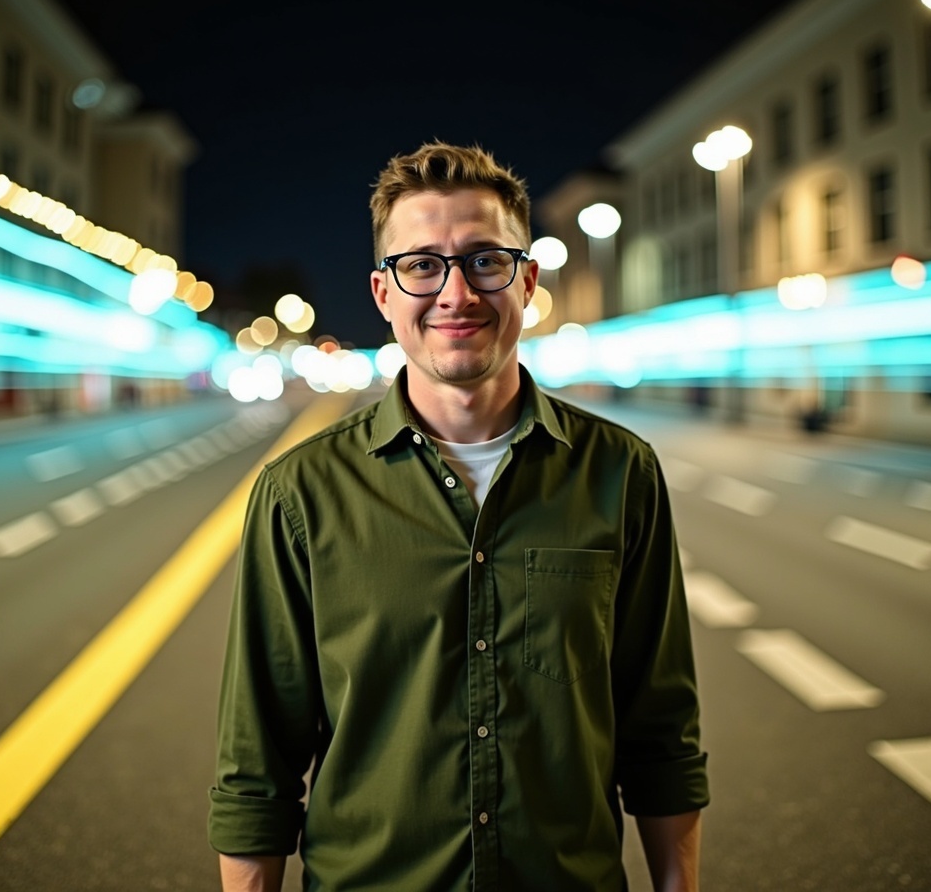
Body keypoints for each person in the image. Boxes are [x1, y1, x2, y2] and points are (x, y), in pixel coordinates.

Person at [209, 141, 709, 891]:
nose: (456, 294)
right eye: (421, 265)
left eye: (484, 260)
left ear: (528, 281)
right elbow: (258, 766)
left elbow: (660, 730)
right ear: (384, 293)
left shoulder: (620, 472)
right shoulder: (299, 492)